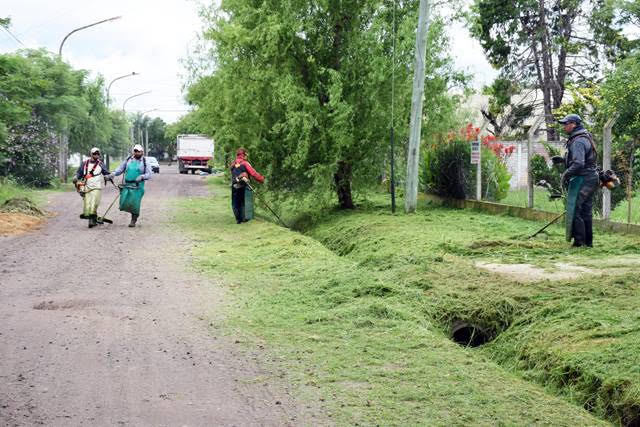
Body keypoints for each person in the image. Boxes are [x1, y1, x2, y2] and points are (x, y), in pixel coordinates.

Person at [558, 114, 599, 247]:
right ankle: (588, 243)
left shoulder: (578, 141)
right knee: (586, 210)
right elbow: (585, 159)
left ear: (573, 124)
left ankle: (579, 242)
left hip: (583, 178)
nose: (564, 126)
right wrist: (563, 160)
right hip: (591, 177)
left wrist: (565, 174)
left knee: (575, 209)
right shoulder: (585, 136)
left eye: (566, 124)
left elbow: (579, 164)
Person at [110, 144, 152, 227]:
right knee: (124, 202)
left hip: (138, 186)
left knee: (135, 203)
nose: (136, 153)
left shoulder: (145, 162)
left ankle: (133, 219)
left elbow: (149, 174)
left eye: (138, 151)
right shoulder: (129, 159)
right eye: (135, 151)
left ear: (142, 152)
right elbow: (121, 169)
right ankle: (133, 214)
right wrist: (113, 174)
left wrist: (142, 176)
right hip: (127, 184)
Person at [73, 147, 111, 228]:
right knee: (88, 205)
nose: (96, 155)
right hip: (87, 187)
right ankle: (93, 220)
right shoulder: (84, 163)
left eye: (98, 153)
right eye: (94, 153)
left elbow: (106, 173)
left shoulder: (101, 164)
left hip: (96, 187)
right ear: (91, 154)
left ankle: (91, 221)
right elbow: (79, 173)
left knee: (94, 203)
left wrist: (108, 176)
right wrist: (76, 177)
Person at [230, 148, 264, 224]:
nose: (246, 157)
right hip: (243, 185)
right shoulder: (245, 163)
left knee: (235, 202)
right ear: (244, 155)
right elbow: (253, 173)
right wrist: (262, 179)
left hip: (234, 185)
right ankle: (244, 218)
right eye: (246, 155)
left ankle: (238, 220)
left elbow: (232, 172)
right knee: (243, 202)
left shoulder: (233, 164)